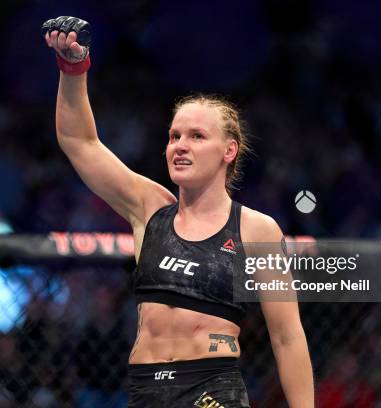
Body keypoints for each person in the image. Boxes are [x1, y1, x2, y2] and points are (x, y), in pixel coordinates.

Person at [42, 16, 314, 408]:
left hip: (212, 392)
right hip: (144, 390)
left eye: (196, 136)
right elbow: (79, 141)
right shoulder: (149, 208)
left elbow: (287, 336)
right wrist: (73, 68)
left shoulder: (256, 229)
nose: (180, 145)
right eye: (174, 136)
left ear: (229, 151)